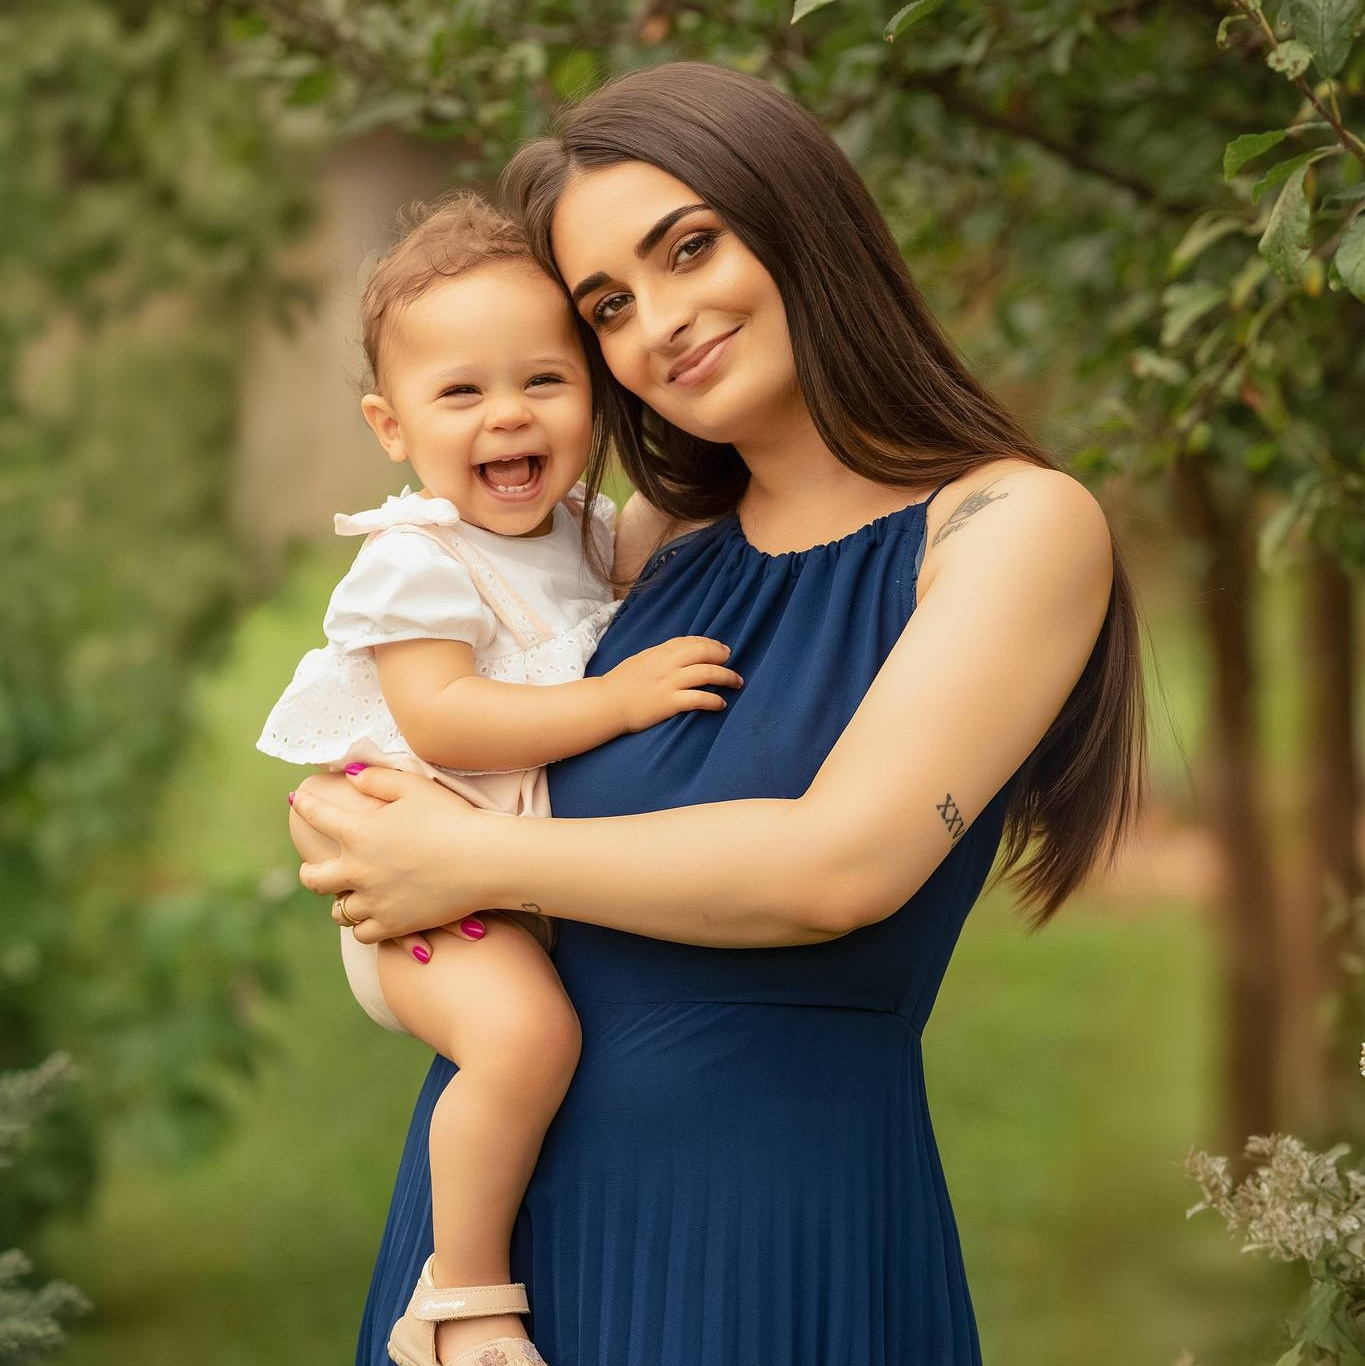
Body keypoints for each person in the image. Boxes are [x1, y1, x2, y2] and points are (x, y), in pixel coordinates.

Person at [289, 62, 1147, 1366]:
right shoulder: (650, 540)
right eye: (610, 305)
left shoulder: (1009, 525)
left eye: (690, 247)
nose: (661, 324)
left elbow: (836, 867)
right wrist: (358, 804)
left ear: (797, 218)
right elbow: (447, 721)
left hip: (771, 1221)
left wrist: (463, 860)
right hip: (490, 1263)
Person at [259, 191, 742, 1366]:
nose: (508, 417)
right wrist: (616, 703)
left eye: (545, 381)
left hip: (512, 876)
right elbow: (448, 717)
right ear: (391, 423)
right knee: (523, 1039)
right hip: (429, 893)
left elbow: (658, 533)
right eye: (461, 392)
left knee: (558, 1031)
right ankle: (462, 1303)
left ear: (595, 393)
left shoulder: (579, 529)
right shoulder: (413, 559)